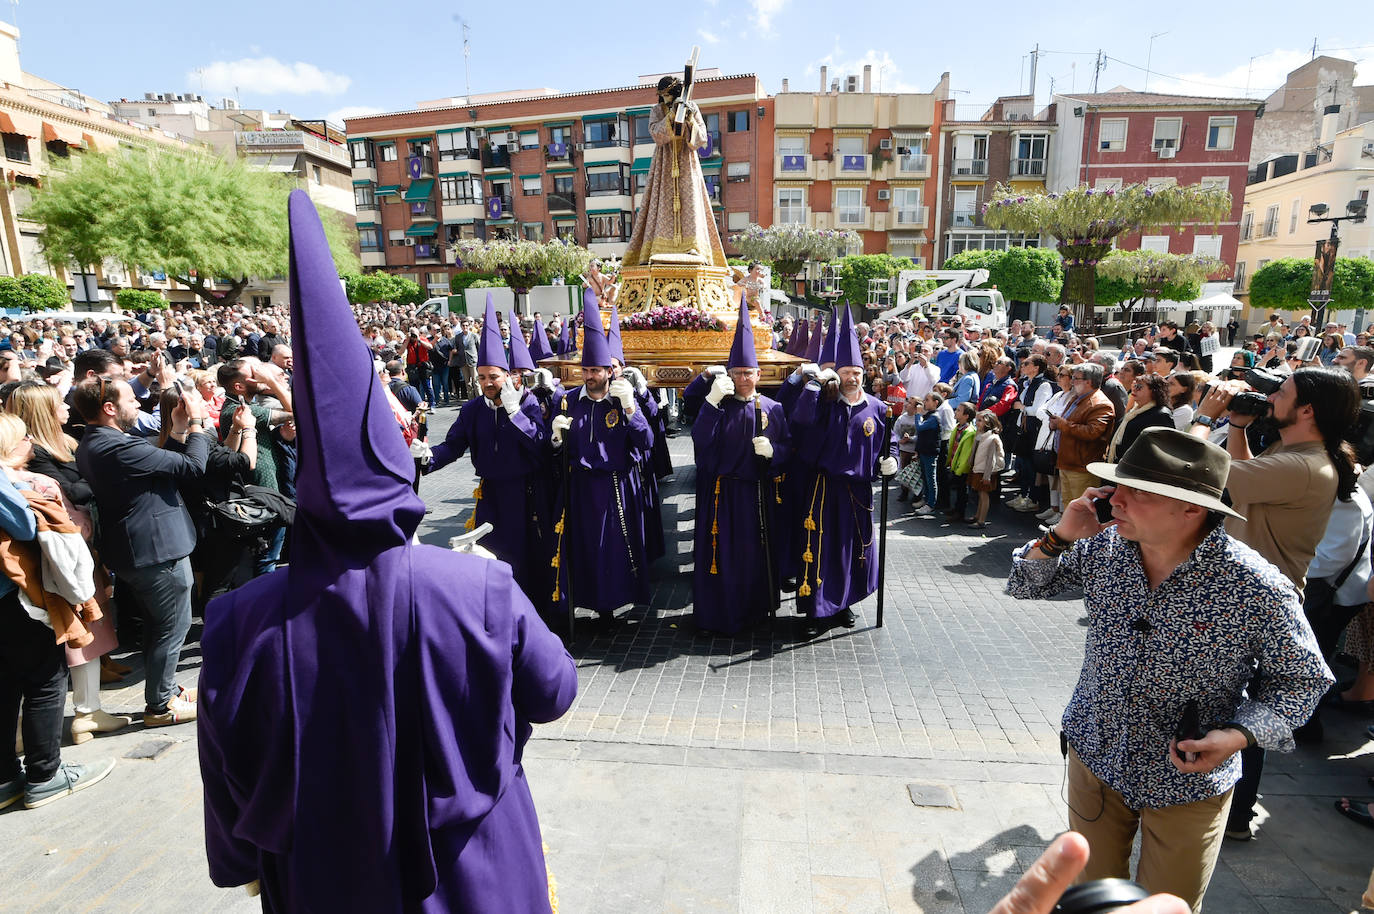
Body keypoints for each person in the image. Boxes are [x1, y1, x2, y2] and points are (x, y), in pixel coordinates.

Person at [199, 192, 577, 912]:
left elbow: (227, 780)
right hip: (475, 873)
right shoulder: (480, 591)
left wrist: (242, 859)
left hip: (322, 882)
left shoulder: (235, 620)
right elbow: (554, 693)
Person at [1007, 427, 1332, 911]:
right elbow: (1025, 586)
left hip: (1189, 779)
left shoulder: (1254, 584)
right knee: (1091, 896)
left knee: (1167, 905)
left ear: (1191, 508)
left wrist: (1240, 736)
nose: (1114, 499)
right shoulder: (1103, 548)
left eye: (1136, 492)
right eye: (1117, 485)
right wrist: (1058, 537)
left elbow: (1303, 680)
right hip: (1097, 753)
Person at [1189, 366, 1359, 839]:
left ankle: (1235, 814)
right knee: (1235, 703)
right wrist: (1239, 427)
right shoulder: (1296, 451)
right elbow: (1246, 476)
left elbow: (1198, 472)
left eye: (1280, 392)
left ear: (1307, 409)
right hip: (1249, 599)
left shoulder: (1303, 466)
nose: (1271, 397)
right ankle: (1231, 810)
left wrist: (1205, 415)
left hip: (1256, 607)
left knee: (1242, 710)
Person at [74, 372, 209, 727]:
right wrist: (196, 422)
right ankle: (160, 707)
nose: (138, 402)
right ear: (108, 408)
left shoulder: (98, 441)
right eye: (131, 400)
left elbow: (162, 464)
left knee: (158, 627)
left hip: (144, 550)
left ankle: (165, 691)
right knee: (173, 627)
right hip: (156, 552)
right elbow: (193, 467)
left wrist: (179, 430)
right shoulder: (117, 446)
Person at [415, 295, 551, 611]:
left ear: (508, 377)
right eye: (483, 377)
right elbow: (453, 445)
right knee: (489, 551)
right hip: (489, 492)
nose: (488, 383)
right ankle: (496, 611)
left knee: (524, 553)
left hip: (525, 492)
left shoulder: (528, 403)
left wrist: (516, 414)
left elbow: (541, 446)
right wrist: (427, 457)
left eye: (494, 377)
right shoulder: (474, 408)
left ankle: (531, 612)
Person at [791, 306, 897, 635]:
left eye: (857, 372)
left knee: (854, 550)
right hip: (824, 488)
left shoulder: (878, 408)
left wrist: (891, 460)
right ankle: (817, 611)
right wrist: (815, 386)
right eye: (846, 372)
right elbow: (800, 421)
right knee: (820, 549)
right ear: (837, 374)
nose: (853, 378)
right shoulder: (824, 403)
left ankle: (844, 604)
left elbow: (888, 443)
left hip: (859, 490)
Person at [549, 297, 654, 625]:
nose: (589, 375)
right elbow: (551, 450)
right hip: (578, 486)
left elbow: (647, 441)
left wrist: (631, 410)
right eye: (586, 369)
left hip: (614, 487)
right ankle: (581, 600)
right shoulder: (567, 401)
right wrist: (555, 437)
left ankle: (611, 604)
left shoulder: (622, 400)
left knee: (611, 547)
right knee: (580, 546)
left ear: (610, 371)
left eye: (595, 370)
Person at [690, 297, 789, 635]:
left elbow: (789, 448)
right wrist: (711, 401)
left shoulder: (773, 409)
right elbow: (700, 440)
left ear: (759, 374)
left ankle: (755, 612)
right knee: (720, 558)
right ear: (728, 375)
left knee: (753, 557)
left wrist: (774, 451)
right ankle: (717, 614)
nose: (743, 378)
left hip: (756, 494)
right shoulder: (719, 405)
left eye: (748, 372)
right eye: (737, 373)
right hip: (721, 494)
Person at [1046, 363, 1114, 508]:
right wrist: (1055, 424)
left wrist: (1062, 424)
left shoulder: (1100, 404)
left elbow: (1092, 432)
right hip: (1068, 462)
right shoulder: (1078, 398)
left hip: (1082, 466)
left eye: (1076, 378)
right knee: (1069, 505)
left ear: (1088, 382)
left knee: (1081, 509)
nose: (1072, 381)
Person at [1105, 374, 1173, 463]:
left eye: (1139, 387)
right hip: (1121, 463)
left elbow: (1163, 449)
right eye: (1134, 386)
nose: (1134, 389)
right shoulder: (1134, 411)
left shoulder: (1161, 415)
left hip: (1138, 469)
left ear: (1154, 391)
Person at [967, 409, 1005, 530]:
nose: (977, 423)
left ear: (988, 423)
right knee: (980, 493)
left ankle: (981, 520)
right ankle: (977, 516)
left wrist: (987, 476)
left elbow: (991, 459)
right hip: (978, 468)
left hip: (985, 471)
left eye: (979, 420)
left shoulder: (992, 438)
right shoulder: (980, 436)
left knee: (984, 495)